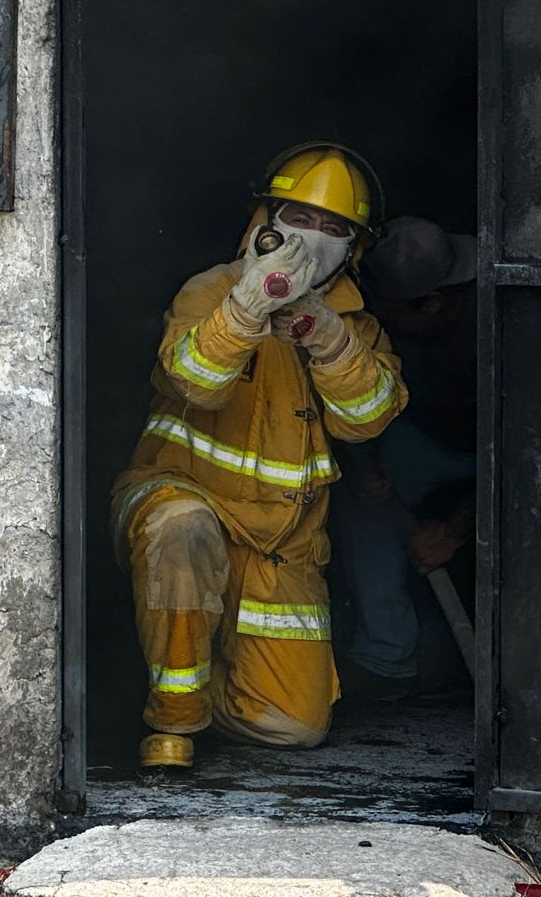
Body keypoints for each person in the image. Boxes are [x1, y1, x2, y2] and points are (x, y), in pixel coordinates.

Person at [111, 143, 408, 769]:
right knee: (183, 531)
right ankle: (173, 722)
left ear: (353, 249)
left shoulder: (357, 326)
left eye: (333, 228)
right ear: (265, 221)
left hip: (282, 543)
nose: (312, 237)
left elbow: (366, 419)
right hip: (180, 496)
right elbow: (194, 382)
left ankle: (205, 677)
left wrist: (325, 333)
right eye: (298, 218)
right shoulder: (210, 292)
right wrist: (246, 309)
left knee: (293, 728)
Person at [330, 217, 477, 696]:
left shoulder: (497, 325)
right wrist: (367, 465)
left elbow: (527, 454)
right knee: (364, 505)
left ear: (431, 304)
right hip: (424, 439)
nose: (379, 316)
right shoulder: (377, 321)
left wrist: (452, 532)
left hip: (506, 445)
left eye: (391, 310)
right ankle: (387, 654)